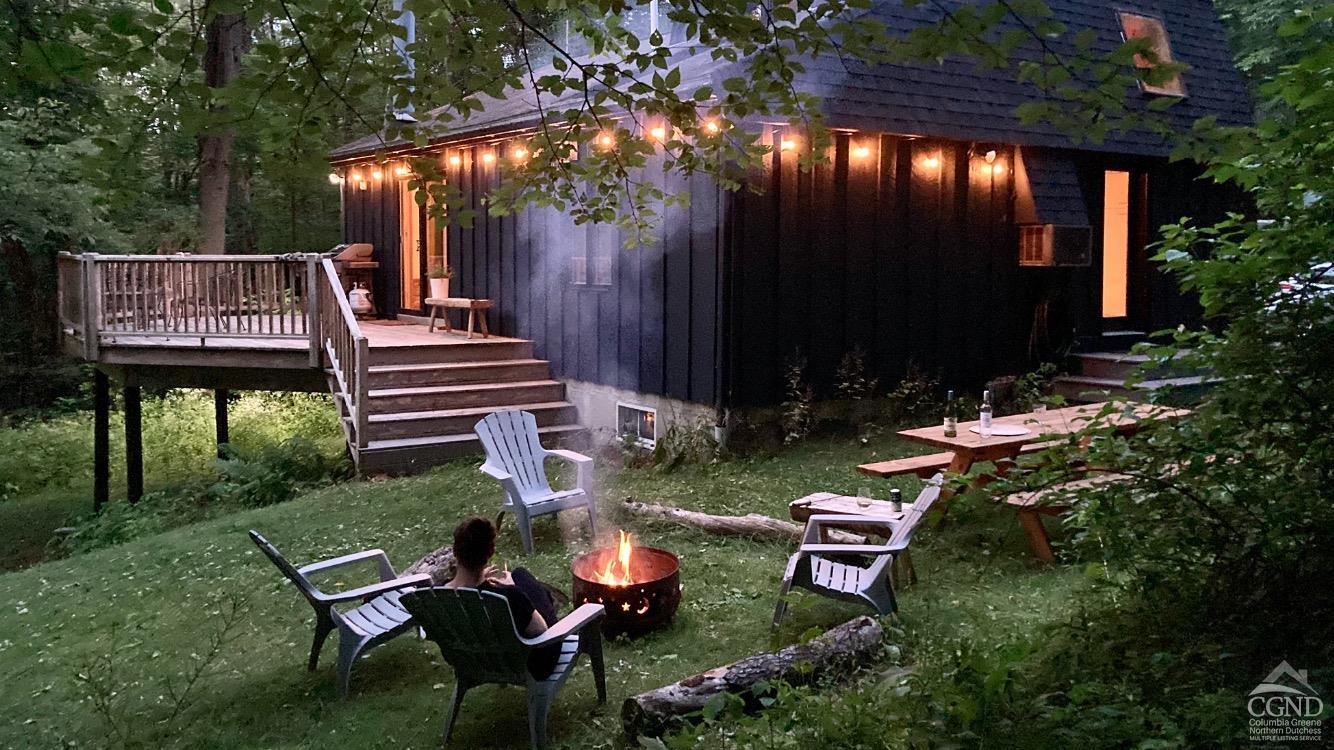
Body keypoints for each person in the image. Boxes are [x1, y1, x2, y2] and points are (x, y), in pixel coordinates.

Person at [444, 517, 562, 678]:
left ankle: (546, 595)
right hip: (530, 664)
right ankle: (548, 597)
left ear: (455, 552)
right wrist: (512, 587)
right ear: (489, 553)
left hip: (471, 662)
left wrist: (480, 579)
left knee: (521, 576)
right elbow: (540, 630)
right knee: (520, 575)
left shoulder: (440, 596)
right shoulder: (507, 596)